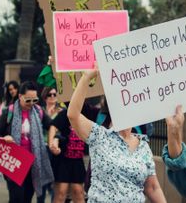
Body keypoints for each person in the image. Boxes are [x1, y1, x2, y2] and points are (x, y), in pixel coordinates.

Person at [67, 66, 166, 202]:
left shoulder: (143, 146)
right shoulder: (99, 136)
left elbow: (153, 187)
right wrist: (86, 77)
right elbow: (73, 114)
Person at [0, 81, 54, 203]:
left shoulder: (38, 111)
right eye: (28, 100)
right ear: (20, 96)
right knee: (16, 198)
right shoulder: (9, 112)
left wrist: (52, 140)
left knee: (27, 197)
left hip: (33, 163)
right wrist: (3, 139)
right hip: (14, 163)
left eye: (35, 100)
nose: (31, 104)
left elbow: (53, 126)